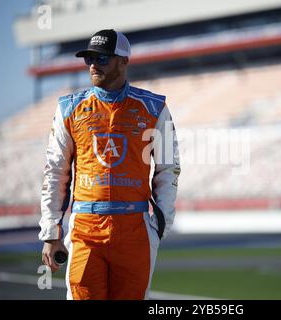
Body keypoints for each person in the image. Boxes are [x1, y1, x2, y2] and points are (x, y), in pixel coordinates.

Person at [39, 29, 181, 300]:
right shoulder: (69, 109)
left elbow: (168, 168)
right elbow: (56, 171)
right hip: (85, 229)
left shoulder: (153, 108)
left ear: (124, 61)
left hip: (135, 229)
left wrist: (160, 224)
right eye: (89, 58)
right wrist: (50, 231)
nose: (93, 65)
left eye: (102, 58)